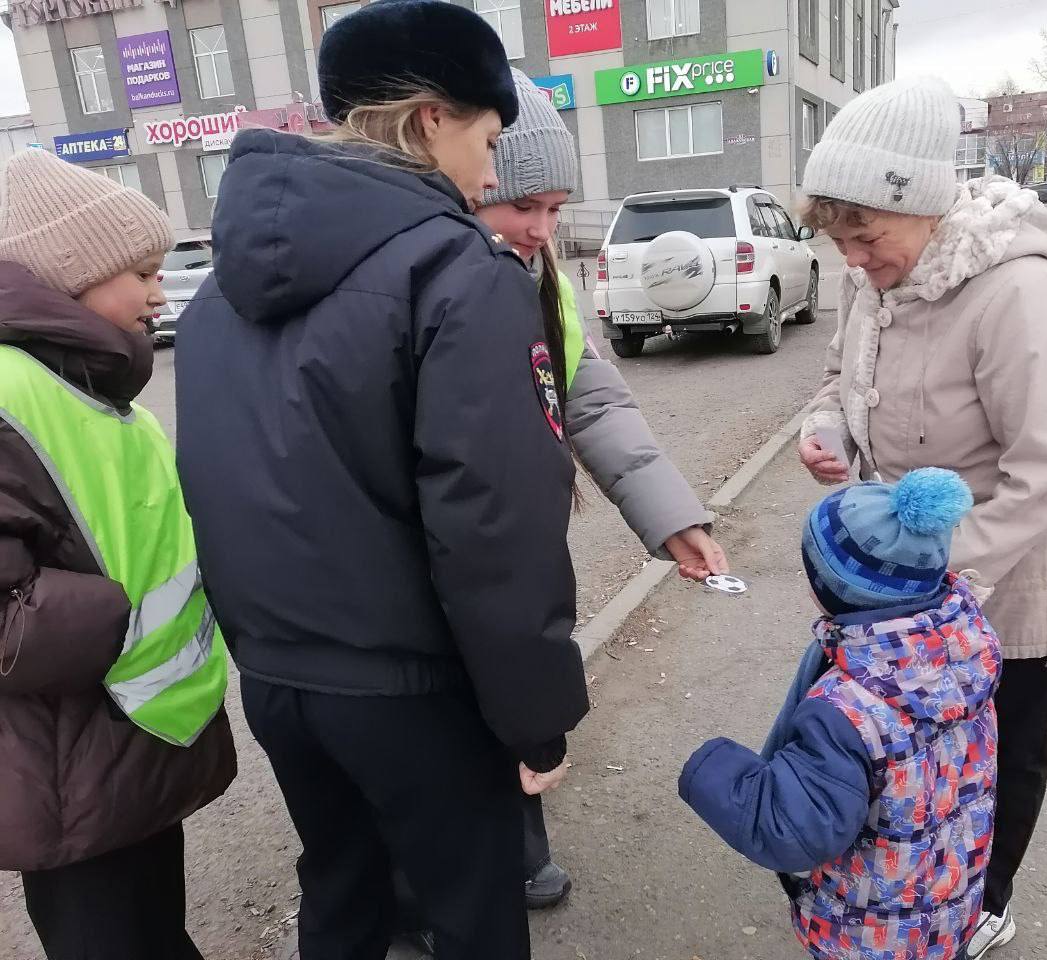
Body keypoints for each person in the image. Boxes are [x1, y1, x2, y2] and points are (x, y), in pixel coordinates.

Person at [173, 2, 589, 958]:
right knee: (474, 912)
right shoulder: (458, 273)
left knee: (343, 895)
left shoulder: (221, 296)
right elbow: (494, 528)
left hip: (280, 680)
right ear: (432, 117)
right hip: (414, 691)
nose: (493, 172)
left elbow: (219, 485)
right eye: (490, 139)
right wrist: (537, 718)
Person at [794, 77, 1047, 959]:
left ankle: (980, 906)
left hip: (1009, 583)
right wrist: (825, 432)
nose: (852, 258)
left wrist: (941, 573)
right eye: (839, 240)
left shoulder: (1016, 294)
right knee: (920, 755)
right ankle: (916, 885)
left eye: (866, 235)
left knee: (1003, 756)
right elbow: (834, 380)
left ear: (923, 204)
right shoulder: (875, 280)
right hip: (909, 588)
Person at [466, 68, 727, 910]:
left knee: (512, 693)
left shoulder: (545, 283)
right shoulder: (438, 288)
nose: (541, 229)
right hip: (460, 544)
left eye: (555, 207)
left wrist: (672, 517)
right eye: (521, 206)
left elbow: (593, 396)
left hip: (520, 540)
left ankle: (521, 842)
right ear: (472, 187)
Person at [0, 149, 236, 960]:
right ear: (68, 276)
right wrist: (115, 613)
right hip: (68, 768)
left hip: (131, 746)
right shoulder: (10, 395)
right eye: (137, 271)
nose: (157, 288)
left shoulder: (99, 394)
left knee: (157, 935)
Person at [680, 469, 1000, 960]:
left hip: (869, 929)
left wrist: (711, 769)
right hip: (948, 896)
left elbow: (795, 828)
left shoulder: (845, 708)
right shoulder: (964, 644)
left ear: (829, 590)